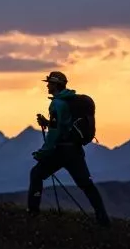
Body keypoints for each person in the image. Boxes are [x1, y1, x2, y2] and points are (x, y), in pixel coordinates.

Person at [29, 70, 110, 227]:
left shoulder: (57, 104)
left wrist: (43, 153)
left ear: (56, 85)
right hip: (75, 151)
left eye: (49, 83)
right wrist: (47, 123)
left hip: (61, 151)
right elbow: (63, 125)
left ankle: (33, 214)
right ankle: (103, 221)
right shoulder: (70, 101)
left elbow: (55, 133)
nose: (47, 86)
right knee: (86, 185)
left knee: (36, 174)